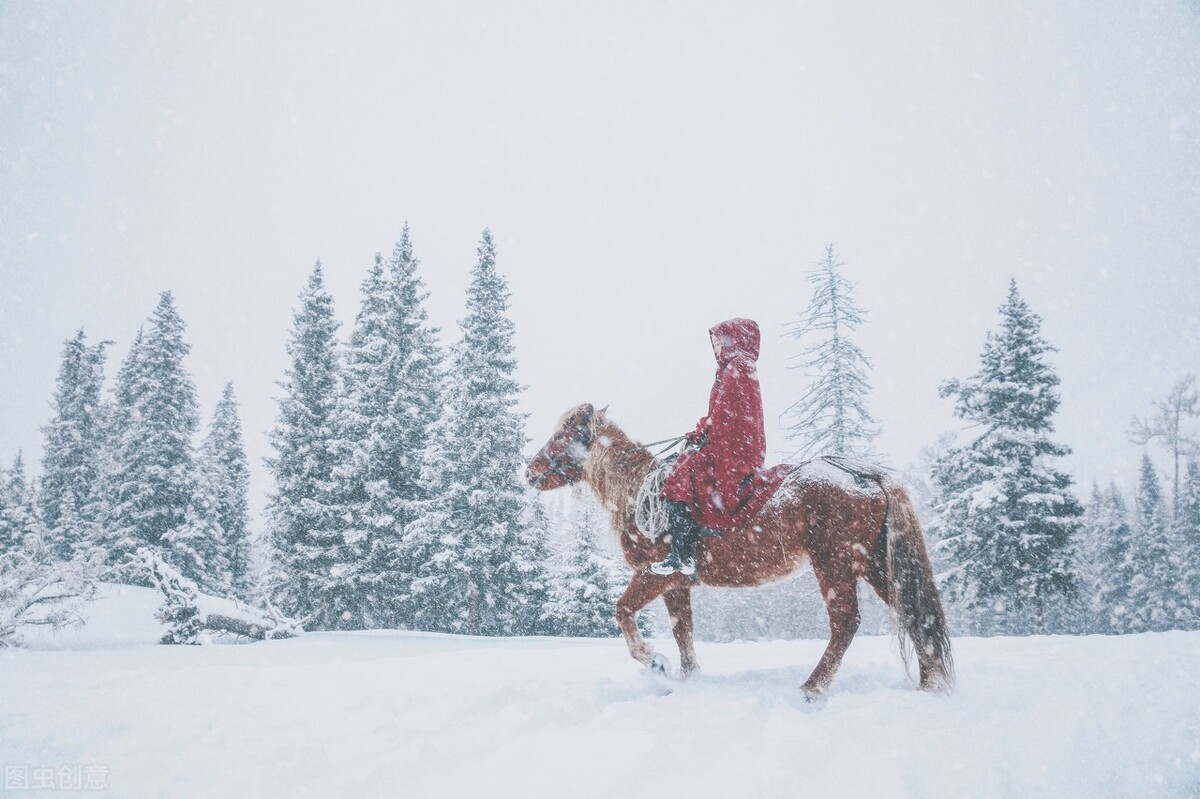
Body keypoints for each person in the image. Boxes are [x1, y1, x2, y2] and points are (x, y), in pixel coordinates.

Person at [652, 318, 769, 576]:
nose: (715, 349)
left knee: (679, 475)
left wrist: (706, 430)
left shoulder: (737, 367)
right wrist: (704, 428)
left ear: (733, 341)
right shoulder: (736, 367)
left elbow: (726, 415)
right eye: (715, 344)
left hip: (732, 451)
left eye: (718, 343)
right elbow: (724, 414)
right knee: (685, 465)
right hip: (736, 446)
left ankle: (682, 554)